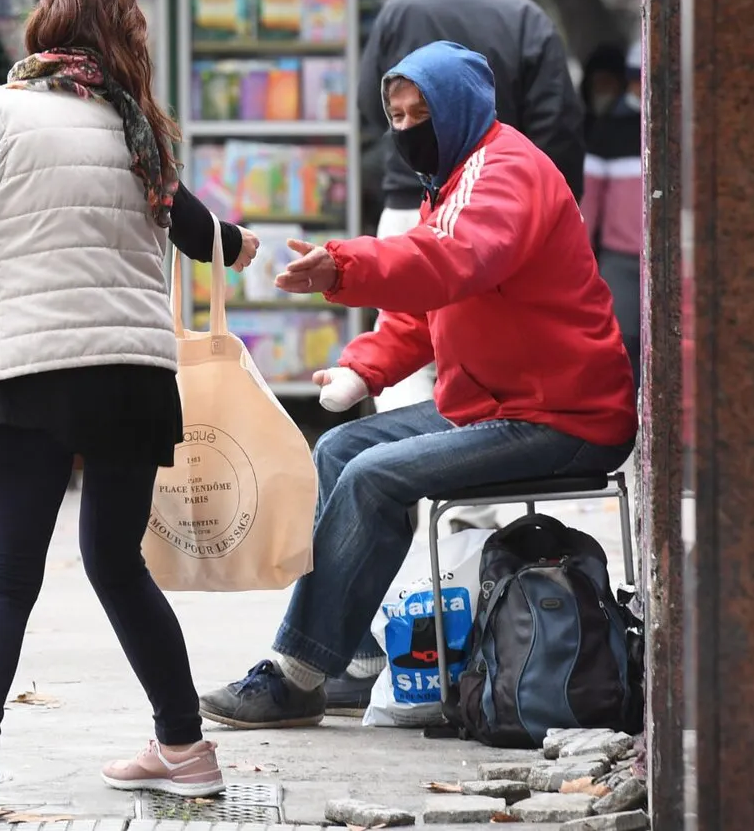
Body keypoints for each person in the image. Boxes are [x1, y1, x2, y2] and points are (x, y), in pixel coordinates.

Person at [0, 0, 259, 818]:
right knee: (117, 565)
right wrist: (237, 243)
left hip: (28, 377)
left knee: (2, 579)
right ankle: (186, 747)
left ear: (44, 29)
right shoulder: (140, 133)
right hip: (132, 382)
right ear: (125, 38)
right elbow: (196, 229)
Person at [198, 41, 637, 731]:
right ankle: (357, 662)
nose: (407, 129)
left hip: (563, 417)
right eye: (396, 116)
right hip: (495, 405)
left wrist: (344, 267)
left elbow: (451, 261)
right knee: (342, 450)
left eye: (419, 113)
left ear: (460, 109)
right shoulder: (458, 178)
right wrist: (364, 366)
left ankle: (297, 674)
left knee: (373, 476)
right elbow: (424, 307)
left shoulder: (506, 172)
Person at [332, 0, 587, 713]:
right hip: (476, 215)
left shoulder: (401, 8)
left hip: (450, 217)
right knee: (374, 436)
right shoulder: (525, 17)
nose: (411, 116)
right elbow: (560, 121)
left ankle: (411, 544)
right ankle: (355, 619)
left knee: (398, 433)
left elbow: (375, 101)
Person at [581, 42, 642, 392]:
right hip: (621, 259)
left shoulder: (678, 129)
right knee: (623, 340)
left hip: (672, 257)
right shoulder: (608, 131)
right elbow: (591, 202)